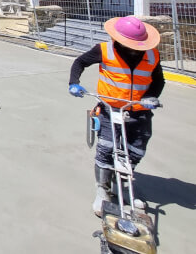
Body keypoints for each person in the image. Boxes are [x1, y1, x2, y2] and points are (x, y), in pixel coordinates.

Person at [68, 16, 164, 217]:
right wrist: (73, 82)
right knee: (106, 148)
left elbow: (158, 81)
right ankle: (103, 189)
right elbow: (80, 62)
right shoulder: (104, 50)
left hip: (139, 111)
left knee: (136, 150)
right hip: (110, 109)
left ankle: (124, 185)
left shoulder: (152, 55)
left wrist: (151, 97)